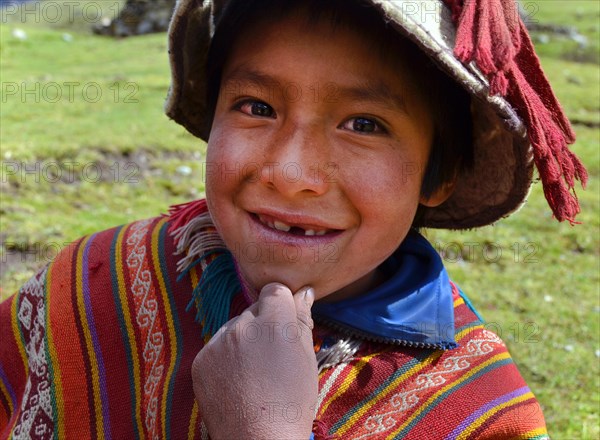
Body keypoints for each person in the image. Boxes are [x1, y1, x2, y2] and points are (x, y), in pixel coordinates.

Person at [0, 0, 587, 438]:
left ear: (440, 174)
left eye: (364, 124)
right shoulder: (96, 288)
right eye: (257, 107)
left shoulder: (481, 415)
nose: (289, 171)